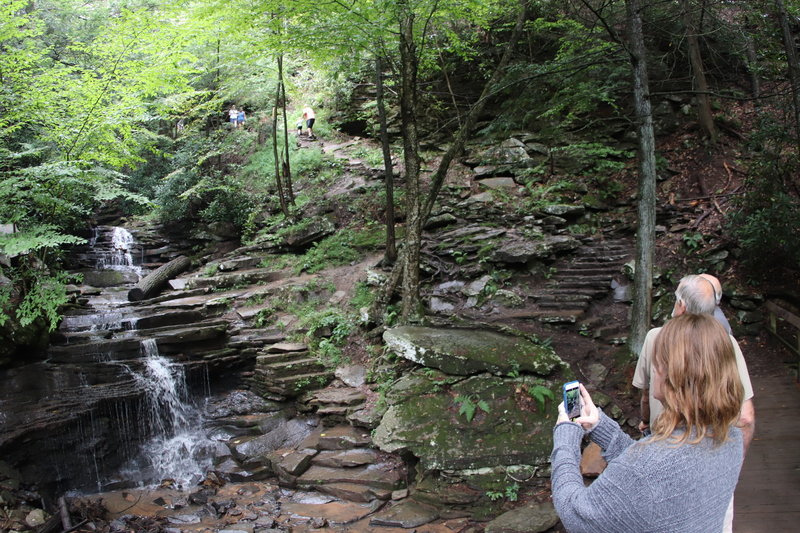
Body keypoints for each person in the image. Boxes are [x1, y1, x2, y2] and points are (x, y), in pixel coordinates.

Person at [551, 314, 745, 532]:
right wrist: (599, 427)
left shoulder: (646, 470)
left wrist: (565, 434)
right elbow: (655, 475)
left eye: (658, 362)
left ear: (671, 374)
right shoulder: (732, 437)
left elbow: (576, 514)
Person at [633, 274, 755, 533]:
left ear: (682, 306)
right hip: (715, 459)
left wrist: (645, 421)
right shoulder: (725, 343)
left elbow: (645, 395)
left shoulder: (656, 338)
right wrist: (732, 462)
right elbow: (745, 418)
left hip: (663, 456)